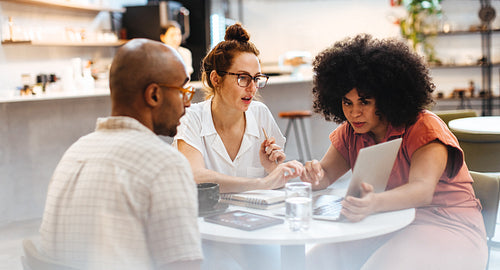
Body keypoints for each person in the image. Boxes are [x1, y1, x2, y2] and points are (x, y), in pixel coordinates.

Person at [301, 34, 487, 270]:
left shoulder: (423, 127)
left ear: (387, 98)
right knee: (315, 260)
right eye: (347, 103)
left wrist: (373, 203)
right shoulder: (350, 132)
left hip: (447, 224)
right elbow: (324, 175)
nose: (354, 113)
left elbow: (421, 191)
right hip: (387, 223)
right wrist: (313, 175)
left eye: (364, 102)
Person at [39, 39, 203, 270]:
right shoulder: (164, 163)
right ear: (154, 95)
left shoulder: (76, 152)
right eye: (182, 92)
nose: (187, 104)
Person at [173, 23, 303, 194]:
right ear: (216, 79)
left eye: (256, 78)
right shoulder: (191, 118)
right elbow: (195, 177)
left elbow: (274, 185)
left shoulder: (260, 114)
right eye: (243, 78)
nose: (252, 87)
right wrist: (262, 183)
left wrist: (273, 170)